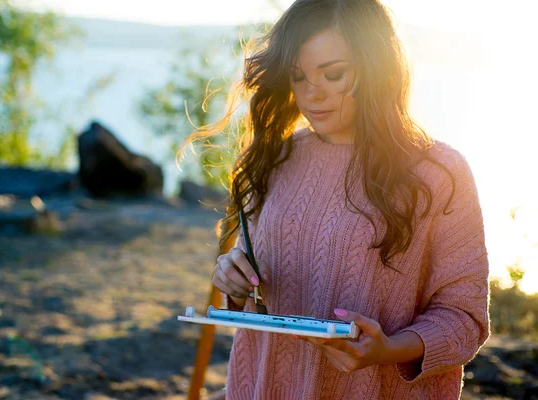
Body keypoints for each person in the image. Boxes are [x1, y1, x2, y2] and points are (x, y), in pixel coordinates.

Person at [184, 0, 490, 398]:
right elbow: (251, 286)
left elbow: (464, 319)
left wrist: (388, 349)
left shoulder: (439, 173)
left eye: (333, 74)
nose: (312, 94)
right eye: (298, 77)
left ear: (377, 68)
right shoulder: (275, 159)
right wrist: (233, 281)